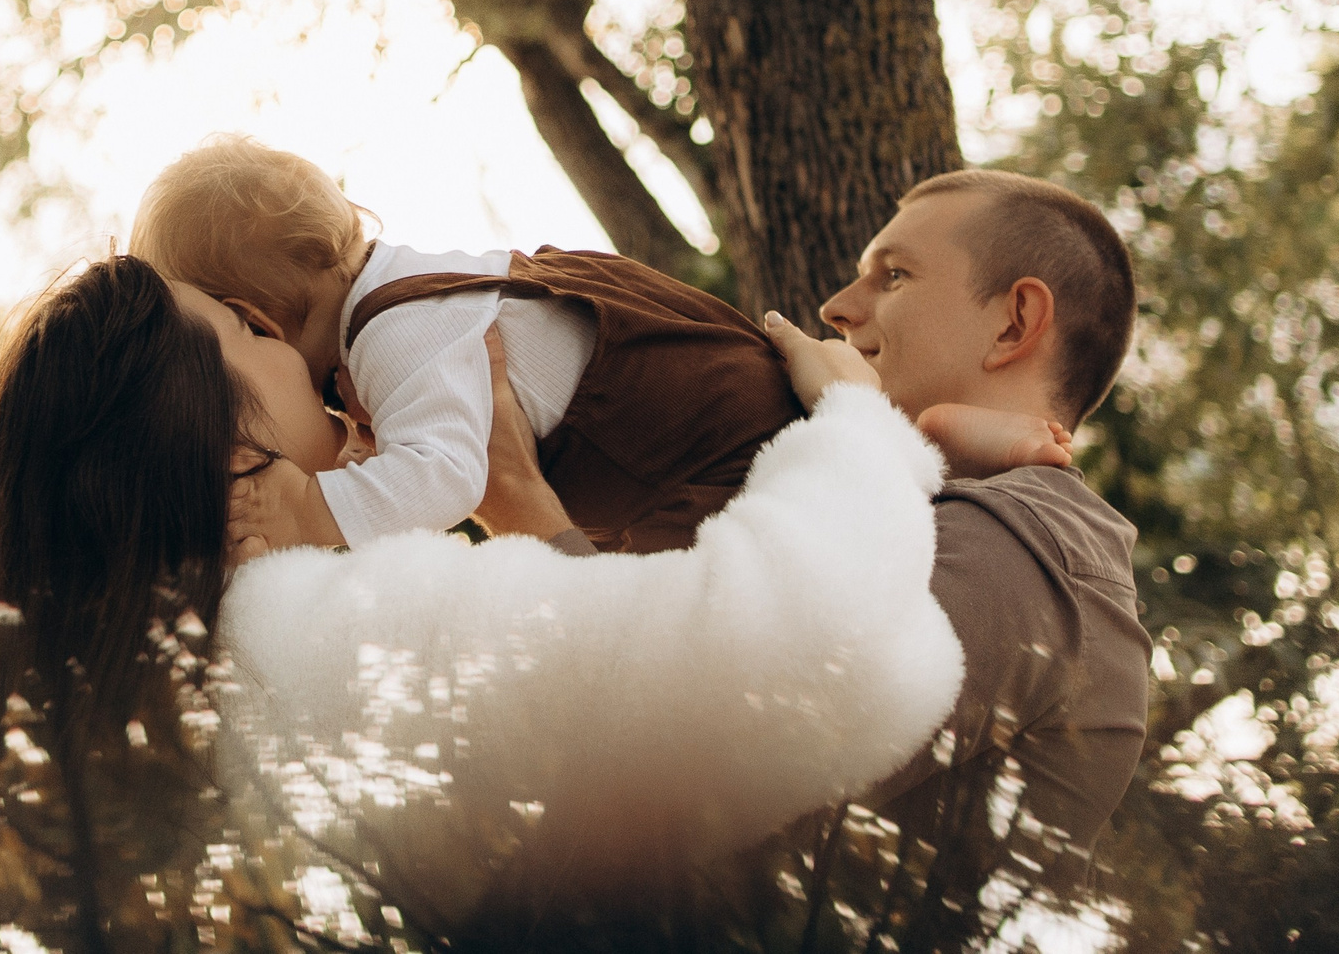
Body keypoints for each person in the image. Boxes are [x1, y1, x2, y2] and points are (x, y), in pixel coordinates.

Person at [0, 254, 965, 943]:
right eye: (252, 334)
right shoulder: (316, 638)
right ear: (219, 440)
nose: (307, 345)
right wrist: (859, 433)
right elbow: (795, 652)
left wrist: (529, 522)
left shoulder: (116, 698)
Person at [485, 168, 1152, 927]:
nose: (837, 307)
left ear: (1013, 322)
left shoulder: (1035, 555)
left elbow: (691, 746)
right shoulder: (915, 520)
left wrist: (516, 502)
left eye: (893, 275)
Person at [128, 135, 1070, 552]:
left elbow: (444, 479)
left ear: (257, 313)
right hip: (700, 391)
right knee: (880, 474)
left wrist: (308, 512)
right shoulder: (412, 301)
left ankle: (961, 449)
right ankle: (971, 442)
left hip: (690, 449)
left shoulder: (393, 332)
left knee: (798, 540)